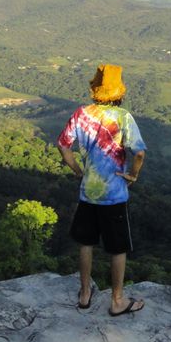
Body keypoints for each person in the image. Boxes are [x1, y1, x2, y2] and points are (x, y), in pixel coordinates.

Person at [57, 63, 147, 316]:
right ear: (120, 92)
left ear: (95, 89)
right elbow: (139, 152)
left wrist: (78, 171)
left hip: (88, 191)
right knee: (117, 247)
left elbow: (64, 146)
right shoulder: (122, 118)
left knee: (86, 243)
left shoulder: (82, 113)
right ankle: (117, 300)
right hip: (114, 194)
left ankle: (85, 293)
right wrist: (133, 175)